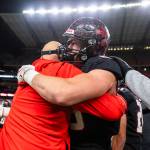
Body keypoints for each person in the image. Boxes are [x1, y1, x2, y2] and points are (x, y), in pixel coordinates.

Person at [17, 17, 127, 149]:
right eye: (69, 43)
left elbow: (64, 93)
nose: (69, 47)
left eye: (74, 43)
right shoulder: (71, 67)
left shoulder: (102, 63)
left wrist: (29, 74)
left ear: (92, 44)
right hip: (67, 142)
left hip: (91, 145)